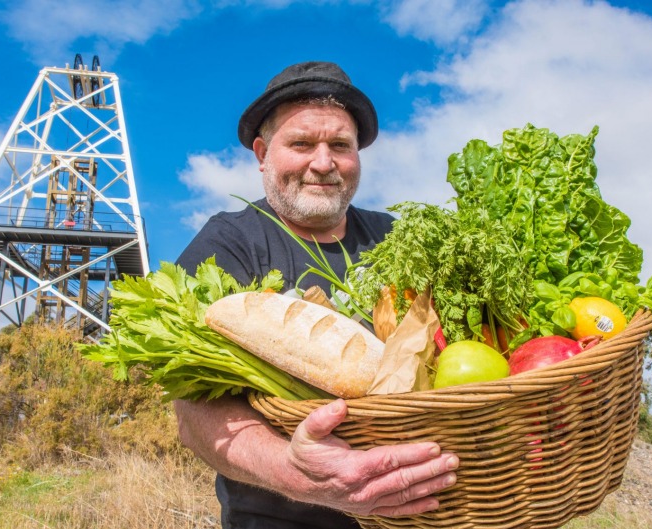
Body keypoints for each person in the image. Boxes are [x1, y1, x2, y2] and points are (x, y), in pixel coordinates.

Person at [174, 61, 459, 529]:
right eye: (302, 143)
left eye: (340, 146)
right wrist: (296, 473)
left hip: (426, 510)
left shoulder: (398, 238)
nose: (323, 164)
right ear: (263, 153)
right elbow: (196, 413)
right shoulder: (227, 246)